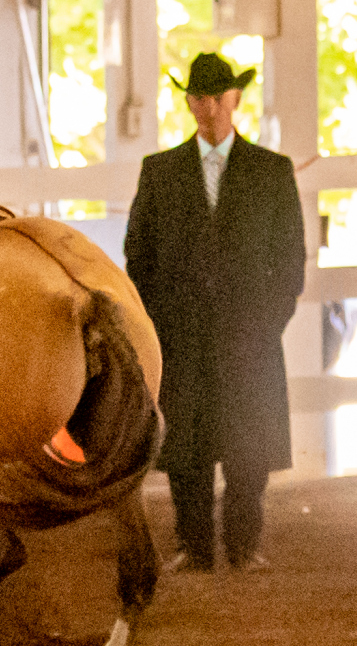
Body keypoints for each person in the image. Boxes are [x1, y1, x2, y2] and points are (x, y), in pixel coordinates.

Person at [123, 53, 305, 572]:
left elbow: (290, 256)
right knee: (188, 445)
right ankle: (194, 544)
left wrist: (268, 321)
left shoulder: (271, 172)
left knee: (249, 443)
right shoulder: (160, 172)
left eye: (215, 97)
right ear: (190, 103)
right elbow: (139, 252)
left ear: (234, 99)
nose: (207, 107)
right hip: (181, 332)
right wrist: (160, 321)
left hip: (250, 331)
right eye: (198, 97)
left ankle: (243, 545)